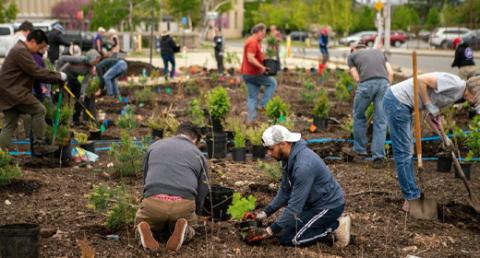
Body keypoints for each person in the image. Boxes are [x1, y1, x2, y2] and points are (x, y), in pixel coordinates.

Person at [383, 73, 480, 211]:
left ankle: (411, 194)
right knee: (404, 153)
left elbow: (431, 117)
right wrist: (428, 103)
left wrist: (443, 137)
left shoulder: (457, 95)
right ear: (474, 91)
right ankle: (411, 198)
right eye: (476, 100)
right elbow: (421, 80)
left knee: (407, 151)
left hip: (403, 104)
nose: (473, 103)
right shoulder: (455, 84)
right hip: (398, 101)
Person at [248, 125, 350, 247]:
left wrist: (268, 232)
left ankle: (335, 228)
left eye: (271, 149)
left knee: (290, 239)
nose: (268, 153)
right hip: (312, 205)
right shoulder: (288, 158)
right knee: (285, 228)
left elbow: (294, 208)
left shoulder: (303, 166)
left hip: (328, 206)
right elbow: (285, 192)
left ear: (283, 144)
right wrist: (263, 215)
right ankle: (323, 224)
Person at [135, 122, 208, 252]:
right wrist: (197, 211)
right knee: (191, 223)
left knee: (142, 222)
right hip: (183, 204)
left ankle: (145, 229)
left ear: (177, 133)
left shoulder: (154, 146)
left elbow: (146, 179)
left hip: (154, 202)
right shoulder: (199, 155)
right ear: (195, 139)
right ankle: (186, 230)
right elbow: (203, 190)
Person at [0, 30, 66, 153]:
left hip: (8, 92)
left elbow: (33, 73)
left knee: (10, 124)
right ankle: (39, 146)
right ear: (33, 41)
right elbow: (36, 71)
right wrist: (58, 76)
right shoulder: (21, 51)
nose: (39, 51)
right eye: (40, 47)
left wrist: (54, 80)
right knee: (39, 110)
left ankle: (2, 155)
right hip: (14, 92)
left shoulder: (20, 50)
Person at [342, 43, 394, 169]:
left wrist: (365, 88)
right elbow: (391, 73)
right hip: (384, 84)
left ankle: (360, 149)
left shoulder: (352, 56)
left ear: (354, 49)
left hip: (366, 85)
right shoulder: (379, 53)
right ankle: (378, 157)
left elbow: (357, 77)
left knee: (359, 116)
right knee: (381, 121)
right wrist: (385, 87)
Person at [241, 23, 277, 124]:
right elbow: (250, 58)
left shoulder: (256, 42)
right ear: (259, 31)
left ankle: (251, 121)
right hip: (253, 73)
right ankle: (263, 105)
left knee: (252, 97)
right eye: (264, 33)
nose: (264, 35)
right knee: (272, 83)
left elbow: (258, 56)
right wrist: (262, 67)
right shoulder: (252, 42)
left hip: (248, 73)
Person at [57, 50, 101, 125]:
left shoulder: (90, 68)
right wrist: (58, 74)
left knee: (79, 100)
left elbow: (85, 82)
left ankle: (75, 119)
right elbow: (62, 58)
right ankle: (63, 121)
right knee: (65, 100)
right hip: (64, 77)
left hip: (73, 78)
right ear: (91, 58)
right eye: (95, 61)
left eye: (97, 61)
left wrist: (82, 94)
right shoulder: (80, 59)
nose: (96, 63)